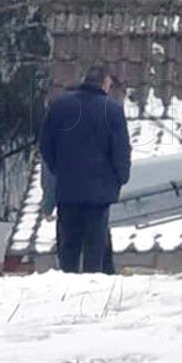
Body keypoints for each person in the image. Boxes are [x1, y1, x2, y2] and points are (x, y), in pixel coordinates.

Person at [40, 65, 131, 273]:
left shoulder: (59, 106)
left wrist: (59, 169)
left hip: (67, 189)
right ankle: (94, 281)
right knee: (95, 245)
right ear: (104, 83)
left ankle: (68, 280)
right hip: (99, 192)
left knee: (69, 245)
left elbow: (46, 145)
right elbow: (120, 151)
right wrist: (119, 178)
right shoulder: (112, 110)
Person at [41, 158, 115, 274]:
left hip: (68, 199)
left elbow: (50, 168)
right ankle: (100, 283)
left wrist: (48, 204)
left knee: (69, 256)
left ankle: (71, 285)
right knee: (97, 253)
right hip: (97, 198)